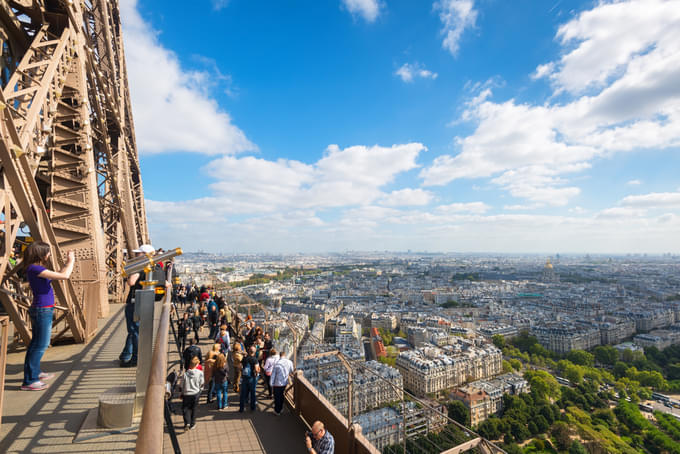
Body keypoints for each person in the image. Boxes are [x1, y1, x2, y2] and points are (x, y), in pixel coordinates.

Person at [21, 241, 75, 391]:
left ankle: (35, 373)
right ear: (41, 254)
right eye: (48, 252)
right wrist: (71, 261)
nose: (49, 254)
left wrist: (65, 263)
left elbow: (58, 274)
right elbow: (65, 276)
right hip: (42, 310)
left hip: (42, 309)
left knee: (36, 344)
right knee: (41, 345)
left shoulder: (36, 269)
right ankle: (29, 381)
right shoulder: (35, 268)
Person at [119, 244, 155, 367]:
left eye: (138, 253)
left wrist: (130, 271)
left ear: (145, 255)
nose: (136, 255)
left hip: (134, 302)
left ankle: (135, 358)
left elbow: (131, 282)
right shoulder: (151, 266)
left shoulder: (139, 267)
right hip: (144, 302)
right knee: (134, 331)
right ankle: (126, 354)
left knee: (134, 331)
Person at [182, 356, 204, 430]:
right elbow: (202, 383)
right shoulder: (200, 373)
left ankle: (187, 423)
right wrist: (200, 390)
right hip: (196, 393)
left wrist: (181, 392)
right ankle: (192, 423)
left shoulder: (185, 374)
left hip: (187, 393)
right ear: (197, 364)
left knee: (186, 408)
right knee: (194, 408)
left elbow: (182, 384)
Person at [270, 350, 294, 414]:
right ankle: (281, 408)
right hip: (285, 382)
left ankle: (277, 411)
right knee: (282, 396)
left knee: (277, 397)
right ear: (285, 355)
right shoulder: (289, 362)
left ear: (280, 356)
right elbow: (292, 371)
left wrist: (271, 384)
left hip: (277, 383)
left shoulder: (277, 363)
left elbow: (273, 375)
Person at [239, 346, 260, 412]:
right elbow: (256, 369)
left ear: (249, 351)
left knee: (243, 393)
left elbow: (240, 366)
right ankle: (252, 408)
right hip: (251, 378)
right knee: (252, 393)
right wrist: (257, 372)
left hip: (245, 378)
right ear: (254, 352)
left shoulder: (245, 358)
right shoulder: (255, 359)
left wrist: (242, 371)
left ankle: (241, 408)